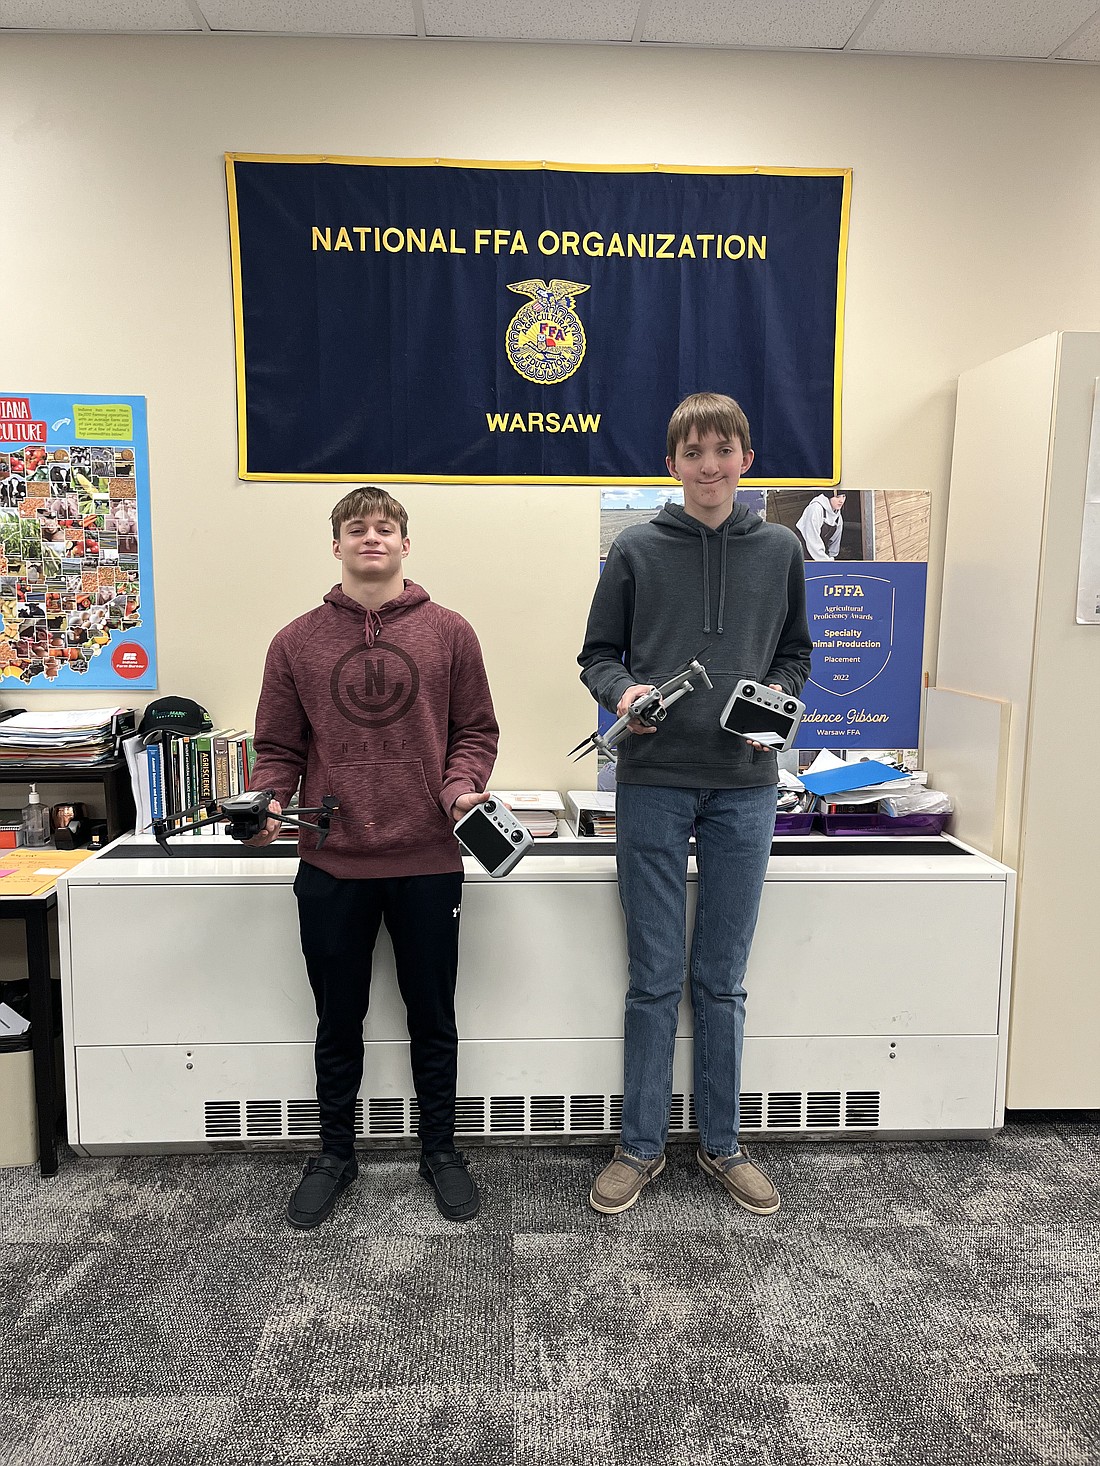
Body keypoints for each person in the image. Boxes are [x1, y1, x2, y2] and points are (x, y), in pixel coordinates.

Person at [578, 391, 812, 1217]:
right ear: (671, 463)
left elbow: (795, 653)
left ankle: (721, 1144)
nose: (709, 466)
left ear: (746, 458)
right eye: (693, 452)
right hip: (651, 782)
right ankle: (639, 1146)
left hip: (746, 790)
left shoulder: (780, 547)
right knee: (652, 977)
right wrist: (625, 690)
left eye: (723, 450)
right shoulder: (636, 548)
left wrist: (776, 707)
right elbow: (596, 656)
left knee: (721, 978)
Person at [246, 487, 499, 1230]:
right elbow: (278, 748)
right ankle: (334, 1155)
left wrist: (460, 789)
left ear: (405, 543)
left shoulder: (451, 633)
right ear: (336, 545)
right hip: (331, 862)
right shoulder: (294, 642)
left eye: (385, 527)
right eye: (356, 529)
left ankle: (441, 1151)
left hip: (428, 859)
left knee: (434, 1017)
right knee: (337, 1019)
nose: (371, 538)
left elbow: (475, 731)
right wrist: (267, 801)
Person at [795, 491, 846, 561]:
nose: (841, 501)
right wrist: (824, 560)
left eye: (843, 496)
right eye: (837, 497)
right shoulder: (815, 508)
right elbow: (812, 537)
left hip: (819, 553)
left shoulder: (838, 517)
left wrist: (832, 558)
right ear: (829, 497)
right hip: (802, 548)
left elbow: (835, 541)